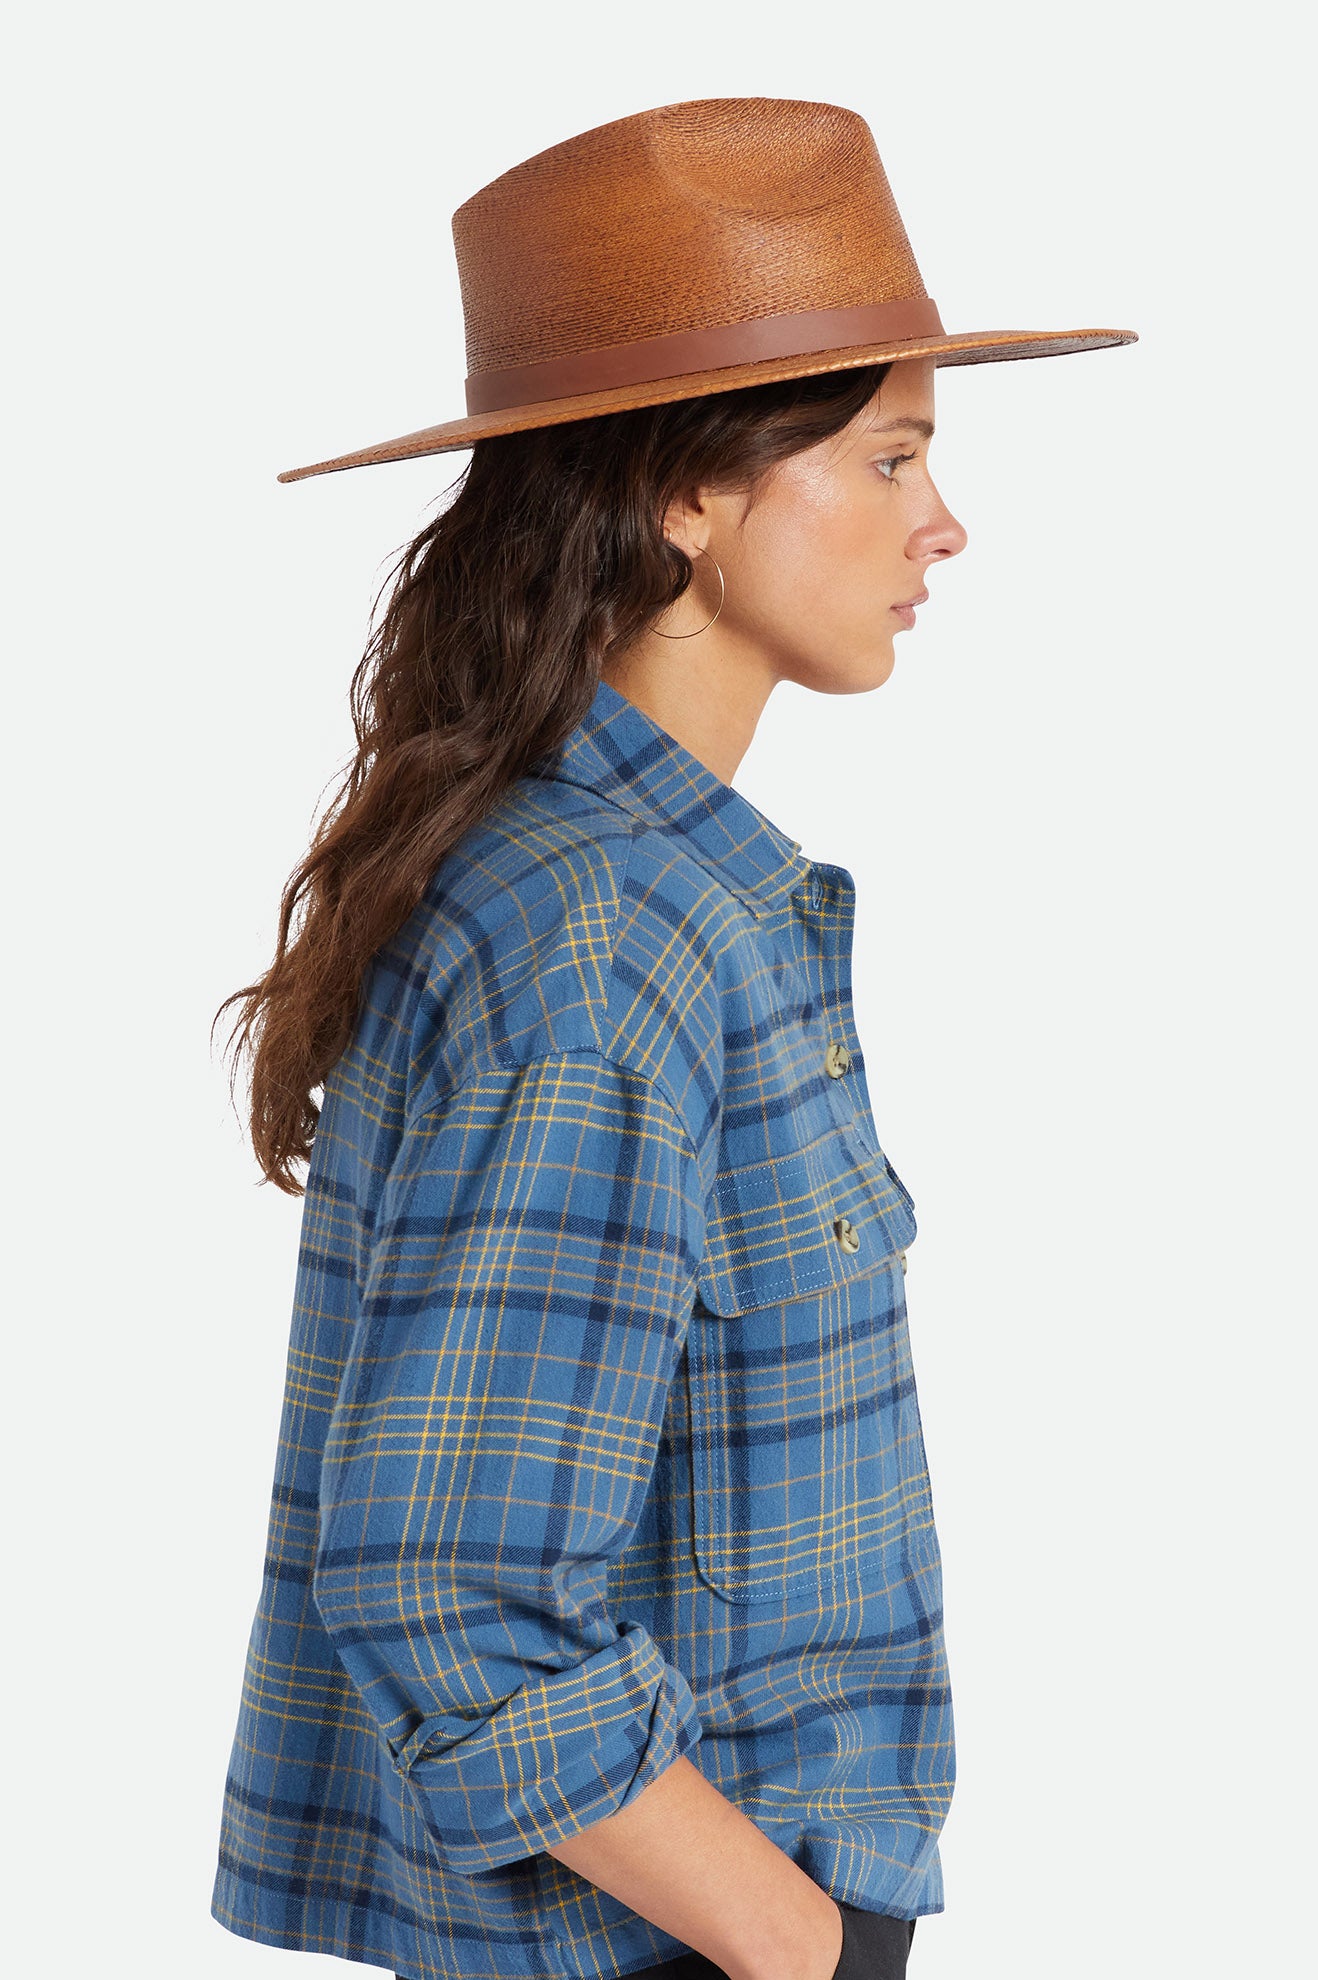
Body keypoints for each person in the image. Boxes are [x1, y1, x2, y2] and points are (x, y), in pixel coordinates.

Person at [208, 98, 1136, 1980]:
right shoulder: (611, 942)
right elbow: (450, 1588)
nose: (942, 524)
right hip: (679, 1937)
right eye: (887, 457)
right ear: (684, 495)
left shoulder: (614, 887)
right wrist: (798, 1948)